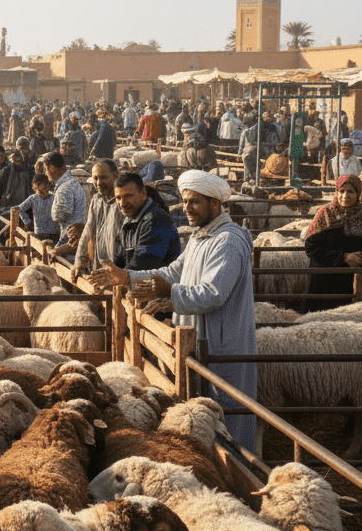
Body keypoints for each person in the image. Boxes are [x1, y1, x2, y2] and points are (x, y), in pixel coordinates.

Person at [89, 169, 257, 451]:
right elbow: (172, 271)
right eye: (185, 201)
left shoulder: (227, 241)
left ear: (214, 204)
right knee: (201, 411)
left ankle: (240, 472)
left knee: (226, 412)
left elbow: (213, 293)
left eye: (195, 202)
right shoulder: (200, 237)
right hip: (198, 337)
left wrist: (168, 292)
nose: (187, 208)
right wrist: (127, 277)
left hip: (221, 341)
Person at [300, 174, 362, 313]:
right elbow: (310, 247)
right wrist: (343, 257)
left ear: (358, 193)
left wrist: (361, 256)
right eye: (341, 191)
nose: (345, 196)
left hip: (351, 279)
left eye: (350, 192)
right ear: (336, 192)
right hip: (324, 279)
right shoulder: (325, 213)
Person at [103, 171, 180, 272]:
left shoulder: (155, 221)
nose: (122, 204)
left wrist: (115, 277)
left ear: (143, 193)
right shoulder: (131, 220)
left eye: (129, 196)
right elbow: (122, 259)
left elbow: (143, 265)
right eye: (118, 198)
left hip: (160, 285)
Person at [73, 159, 121, 279]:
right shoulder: (96, 200)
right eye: (95, 178)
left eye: (103, 177)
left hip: (118, 271)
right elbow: (88, 231)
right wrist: (79, 261)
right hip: (98, 267)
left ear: (115, 177)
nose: (98, 183)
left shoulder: (122, 202)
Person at [46, 151, 86, 256]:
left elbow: (60, 214)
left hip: (70, 236)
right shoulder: (72, 183)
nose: (46, 173)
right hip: (76, 233)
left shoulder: (65, 188)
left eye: (46, 169)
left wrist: (51, 211)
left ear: (52, 169)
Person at [17, 173, 57, 241]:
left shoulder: (54, 198)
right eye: (40, 190)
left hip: (53, 233)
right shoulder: (33, 198)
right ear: (34, 189)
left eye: (45, 188)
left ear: (48, 187)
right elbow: (20, 209)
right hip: (39, 233)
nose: (43, 192)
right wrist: (27, 221)